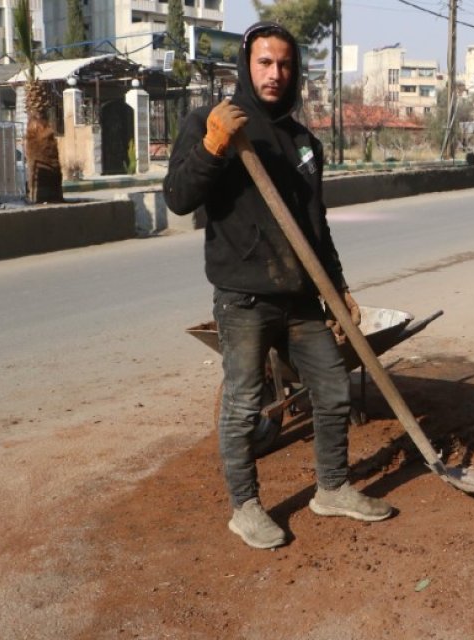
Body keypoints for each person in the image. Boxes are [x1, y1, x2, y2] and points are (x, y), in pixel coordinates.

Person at [163, 21, 393, 551]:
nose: (275, 73)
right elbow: (177, 197)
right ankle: (245, 507)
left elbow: (316, 226)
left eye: (285, 65)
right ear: (247, 64)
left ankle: (332, 487)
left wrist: (339, 289)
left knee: (333, 391)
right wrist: (213, 146)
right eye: (265, 63)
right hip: (243, 296)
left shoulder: (302, 142)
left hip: (300, 295)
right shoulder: (212, 121)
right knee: (244, 405)